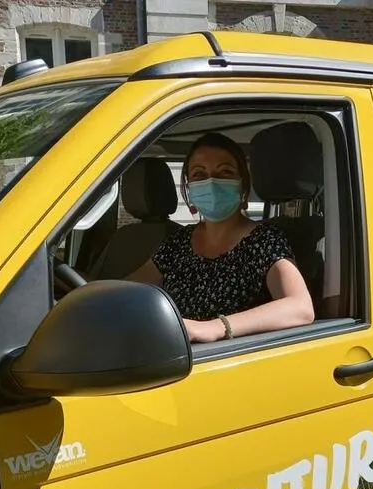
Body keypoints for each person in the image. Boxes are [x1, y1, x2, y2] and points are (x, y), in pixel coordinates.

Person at [127, 132, 315, 343]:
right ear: (189, 189)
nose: (211, 182)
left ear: (243, 185)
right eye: (199, 174)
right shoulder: (178, 242)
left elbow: (301, 308)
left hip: (229, 359)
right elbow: (127, 292)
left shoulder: (264, 241)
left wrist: (216, 327)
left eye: (225, 172)